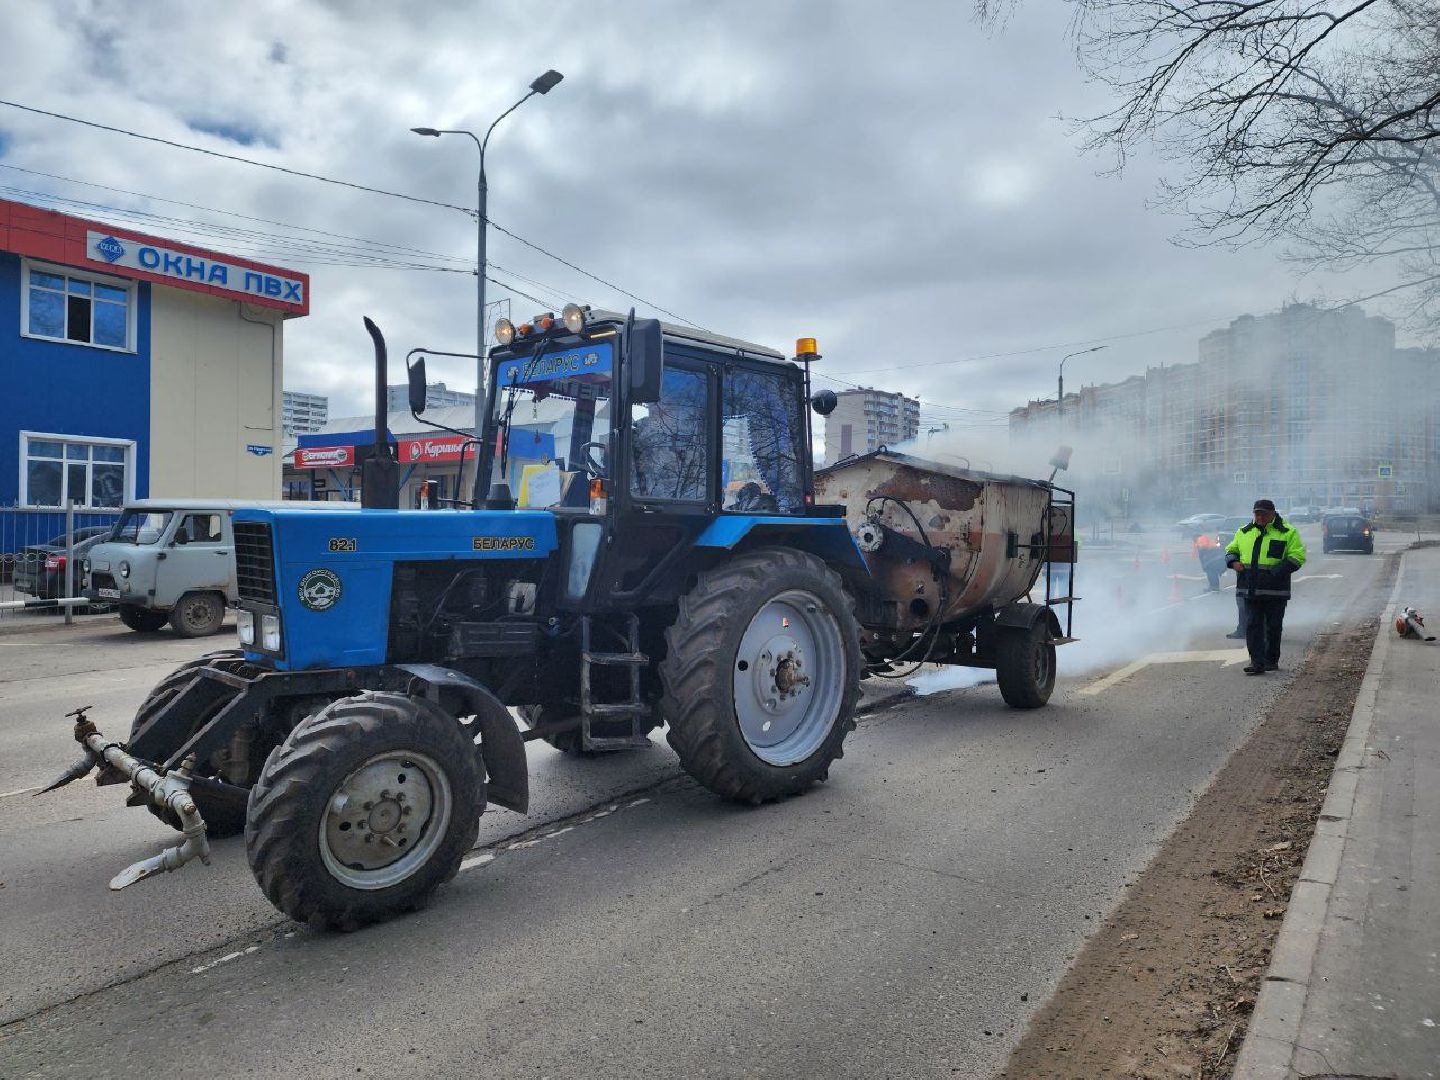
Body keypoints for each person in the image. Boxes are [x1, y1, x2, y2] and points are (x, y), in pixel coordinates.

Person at [1225, 499, 1307, 675]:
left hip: (1275, 591)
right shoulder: (1244, 531)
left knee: (1273, 627)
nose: (1260, 517)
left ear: (1273, 514)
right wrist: (1233, 561)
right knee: (1252, 626)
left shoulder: (1287, 532)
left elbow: (1297, 557)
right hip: (1250, 590)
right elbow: (1231, 549)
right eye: (1257, 513)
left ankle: (1271, 660)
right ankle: (1257, 663)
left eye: (1264, 513)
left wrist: (1275, 573)